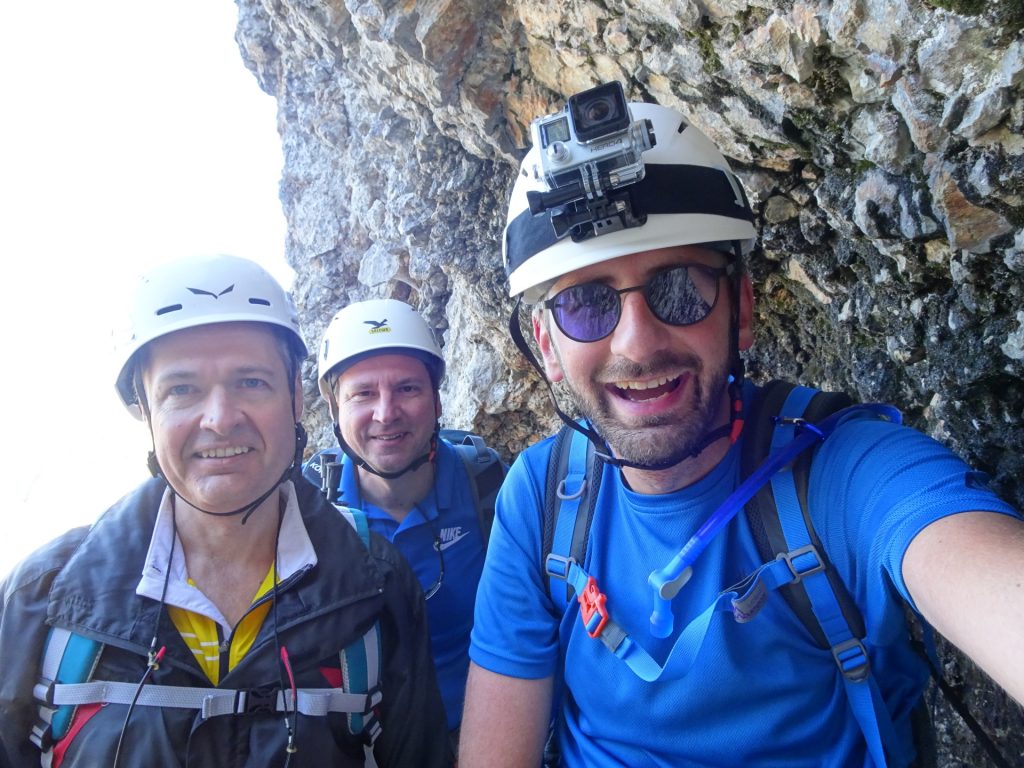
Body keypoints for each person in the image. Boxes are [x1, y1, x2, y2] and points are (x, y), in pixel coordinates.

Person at [459, 84, 1024, 767]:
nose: (637, 345)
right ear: (547, 347)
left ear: (743, 309)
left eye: (678, 286)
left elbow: (963, 554)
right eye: (586, 303)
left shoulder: (836, 472)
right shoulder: (540, 500)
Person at [0, 255, 449, 768]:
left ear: (297, 399)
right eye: (182, 389)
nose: (219, 418)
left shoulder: (378, 586)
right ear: (144, 410)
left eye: (251, 382)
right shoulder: (41, 598)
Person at [306, 298, 504, 745]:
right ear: (335, 409)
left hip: (482, 736)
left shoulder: (488, 489)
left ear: (437, 401)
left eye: (408, 389)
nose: (385, 412)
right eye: (362, 393)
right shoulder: (307, 511)